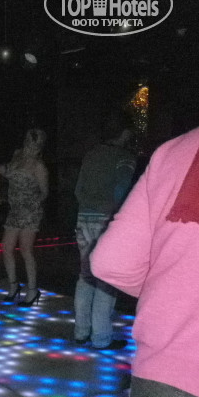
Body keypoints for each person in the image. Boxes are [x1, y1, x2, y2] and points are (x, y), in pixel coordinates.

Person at [91, 117, 199, 397]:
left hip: (160, 387)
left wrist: (172, 291)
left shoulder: (178, 150)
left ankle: (89, 333)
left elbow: (109, 262)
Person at [73, 113, 136, 349]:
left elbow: (78, 190)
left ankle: (81, 332)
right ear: (125, 132)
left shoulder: (91, 154)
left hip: (84, 218)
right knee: (106, 278)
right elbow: (122, 192)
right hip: (107, 220)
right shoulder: (124, 157)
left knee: (85, 275)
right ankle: (101, 338)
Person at [0, 128, 48, 306]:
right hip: (15, 209)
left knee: (26, 249)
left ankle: (32, 290)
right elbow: (10, 174)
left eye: (35, 142)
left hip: (30, 211)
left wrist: (32, 203)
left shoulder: (38, 166)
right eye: (29, 139)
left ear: (40, 145)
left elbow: (44, 192)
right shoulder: (17, 156)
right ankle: (13, 285)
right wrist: (2, 171)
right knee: (6, 247)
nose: (31, 144)